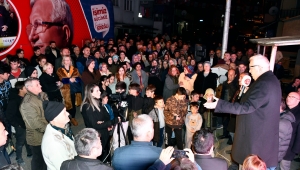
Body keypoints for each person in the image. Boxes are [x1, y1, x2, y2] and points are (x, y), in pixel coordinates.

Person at [204, 55, 281, 169]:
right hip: (259, 141)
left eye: (251, 67)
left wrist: (219, 104)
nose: (249, 71)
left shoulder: (264, 83)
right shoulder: (269, 80)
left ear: (259, 67)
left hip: (256, 145)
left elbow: (246, 107)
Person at [80, 84, 119, 162]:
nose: (100, 92)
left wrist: (104, 122)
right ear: (91, 93)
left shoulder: (98, 101)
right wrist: (112, 122)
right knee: (100, 154)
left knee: (106, 150)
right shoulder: (87, 107)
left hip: (103, 130)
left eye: (99, 90)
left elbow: (106, 116)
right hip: (96, 134)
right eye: (97, 91)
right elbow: (95, 125)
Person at [20, 78, 48, 170]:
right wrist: (50, 130)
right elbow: (35, 123)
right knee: (38, 160)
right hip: (37, 138)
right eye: (37, 85)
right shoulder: (27, 104)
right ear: (30, 88)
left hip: (45, 133)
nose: (40, 86)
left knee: (45, 159)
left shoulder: (40, 95)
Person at [41, 101, 77, 170]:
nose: (68, 114)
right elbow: (64, 167)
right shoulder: (53, 145)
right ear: (54, 118)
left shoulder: (62, 127)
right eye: (64, 113)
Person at [6, 81, 32, 165]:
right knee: (20, 142)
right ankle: (18, 157)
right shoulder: (14, 101)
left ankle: (29, 152)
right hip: (20, 125)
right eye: (25, 87)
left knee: (28, 138)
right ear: (21, 89)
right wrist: (17, 125)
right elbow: (9, 115)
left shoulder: (26, 97)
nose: (27, 88)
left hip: (26, 123)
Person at [57, 55, 82, 126]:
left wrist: (75, 79)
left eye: (69, 60)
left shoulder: (74, 69)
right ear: (63, 61)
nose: (67, 61)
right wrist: (69, 80)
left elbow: (79, 78)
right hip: (65, 90)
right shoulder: (60, 70)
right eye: (66, 60)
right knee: (66, 105)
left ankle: (73, 118)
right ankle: (67, 118)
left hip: (73, 89)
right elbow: (60, 78)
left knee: (73, 104)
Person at [281, 92, 300, 170]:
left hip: (289, 148)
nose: (289, 98)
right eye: (288, 96)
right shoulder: (285, 109)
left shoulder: (299, 114)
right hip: (281, 144)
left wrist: (295, 150)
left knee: (284, 166)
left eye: (293, 97)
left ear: (298, 101)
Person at [278, 98, 295, 165]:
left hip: (273, 155)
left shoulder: (283, 123)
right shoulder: (281, 117)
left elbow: (273, 142)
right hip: (274, 154)